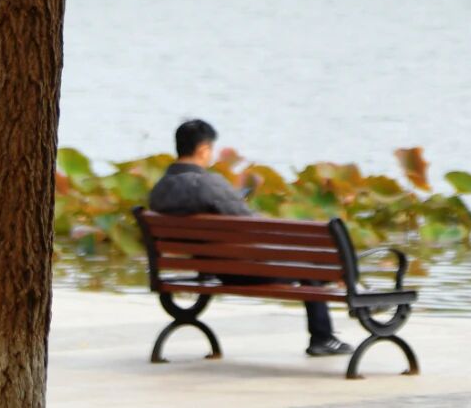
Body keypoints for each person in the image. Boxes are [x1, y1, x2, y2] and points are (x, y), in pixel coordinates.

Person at [147, 117, 351, 357]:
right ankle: (324, 335)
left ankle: (344, 296)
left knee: (308, 264)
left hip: (214, 269)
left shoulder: (159, 190)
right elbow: (251, 225)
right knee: (310, 265)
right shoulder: (209, 183)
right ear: (203, 150)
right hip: (243, 271)